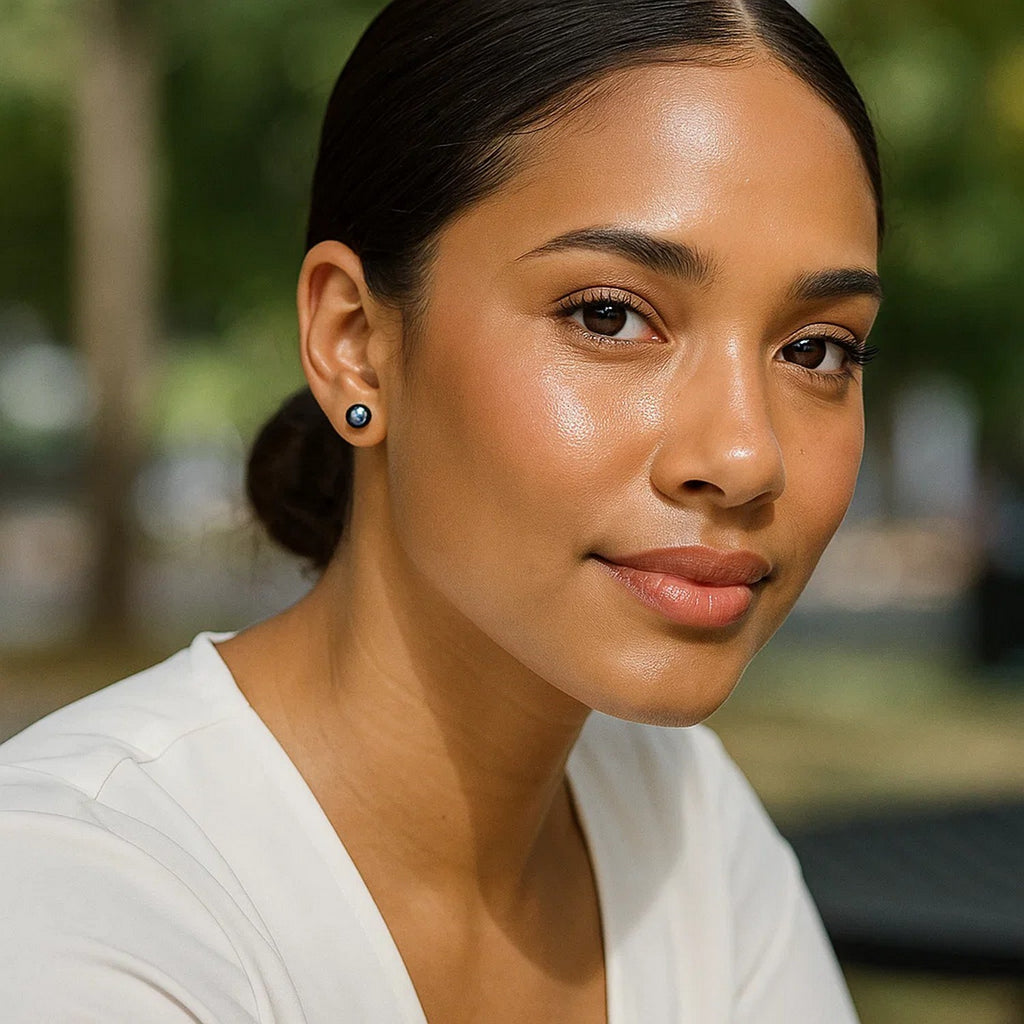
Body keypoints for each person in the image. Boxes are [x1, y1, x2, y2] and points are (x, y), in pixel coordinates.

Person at [0, 0, 884, 1020]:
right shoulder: (80, 901)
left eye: (815, 348)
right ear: (355, 340)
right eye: (610, 316)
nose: (742, 455)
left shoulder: (683, 823)